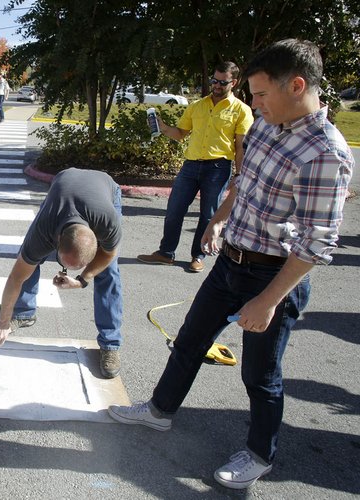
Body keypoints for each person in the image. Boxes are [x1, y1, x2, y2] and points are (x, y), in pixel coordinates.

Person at [109, 39, 353, 490]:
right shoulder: (266, 124)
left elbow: (317, 245)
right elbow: (245, 181)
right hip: (230, 261)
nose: (252, 103)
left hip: (273, 276)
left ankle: (259, 455)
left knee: (260, 377)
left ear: (296, 86)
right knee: (189, 341)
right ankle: (160, 412)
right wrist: (218, 222)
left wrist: (266, 301)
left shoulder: (326, 153)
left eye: (260, 94)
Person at [0, 167, 125, 378]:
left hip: (105, 188)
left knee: (108, 273)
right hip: (62, 186)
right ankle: (22, 313)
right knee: (28, 256)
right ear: (57, 240)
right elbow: (16, 277)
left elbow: (108, 255)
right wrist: (3, 321)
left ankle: (111, 344)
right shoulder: (45, 229)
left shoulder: (108, 222)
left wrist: (82, 280)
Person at [137, 61, 253, 273]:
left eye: (222, 82)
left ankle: (197, 256)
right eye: (214, 81)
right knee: (174, 209)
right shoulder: (197, 106)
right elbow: (180, 134)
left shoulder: (241, 111)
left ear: (233, 83)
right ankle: (166, 253)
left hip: (219, 167)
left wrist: (240, 174)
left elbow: (240, 146)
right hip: (190, 165)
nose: (216, 85)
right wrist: (162, 127)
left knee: (208, 214)